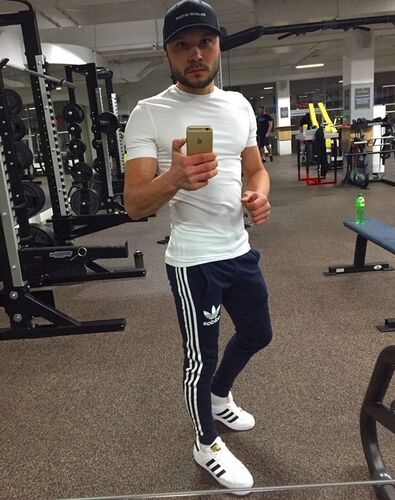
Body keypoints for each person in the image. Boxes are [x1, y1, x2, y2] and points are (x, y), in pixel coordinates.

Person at [123, 0, 273, 493]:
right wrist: (174, 178)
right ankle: (205, 444)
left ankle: (219, 397)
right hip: (194, 261)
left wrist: (259, 195)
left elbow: (256, 169)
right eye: (182, 45)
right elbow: (134, 204)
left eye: (204, 42)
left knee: (258, 333)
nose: (195, 54)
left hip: (239, 250)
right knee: (200, 359)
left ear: (218, 46)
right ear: (167, 52)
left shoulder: (239, 106)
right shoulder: (148, 114)